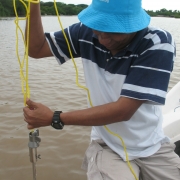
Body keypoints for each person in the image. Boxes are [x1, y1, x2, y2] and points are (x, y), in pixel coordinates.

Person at [23, 0, 180, 179]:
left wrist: (55, 118)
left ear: (134, 25)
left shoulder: (158, 42)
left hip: (153, 145)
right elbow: (36, 49)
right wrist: (33, 4)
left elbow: (123, 111)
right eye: (98, 27)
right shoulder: (85, 31)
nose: (103, 38)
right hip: (107, 145)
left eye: (114, 31)